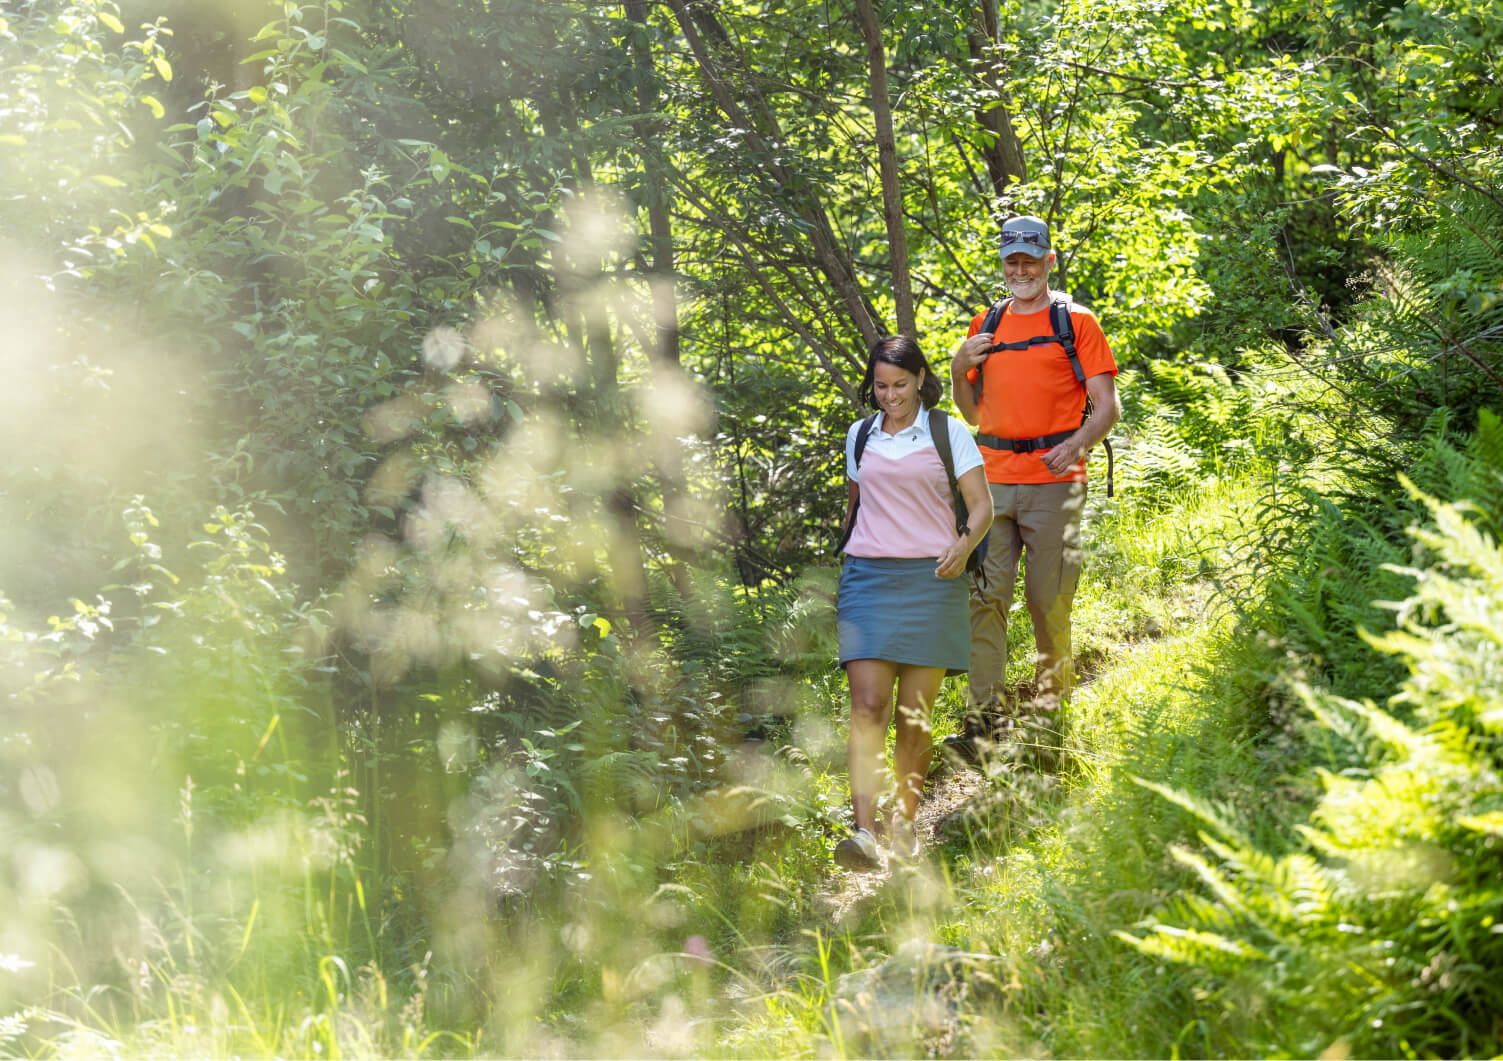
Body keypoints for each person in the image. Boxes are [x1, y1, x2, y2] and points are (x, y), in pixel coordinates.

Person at [948, 215, 1120, 762]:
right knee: (985, 598)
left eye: (1031, 260)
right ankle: (982, 722)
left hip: (1054, 482)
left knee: (1048, 602)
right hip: (992, 483)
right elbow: (974, 412)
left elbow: (1107, 405)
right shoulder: (986, 323)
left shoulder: (1077, 322)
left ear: (1049, 261)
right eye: (1011, 262)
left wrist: (1078, 442)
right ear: (1002, 266)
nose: (1020, 270)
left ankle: (1049, 718)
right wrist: (956, 369)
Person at [833, 335, 993, 870]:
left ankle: (905, 822)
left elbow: (981, 507)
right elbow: (857, 509)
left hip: (934, 581)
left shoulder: (950, 433)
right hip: (868, 581)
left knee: (913, 716)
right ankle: (863, 830)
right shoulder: (860, 436)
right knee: (868, 706)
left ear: (921, 378)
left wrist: (962, 544)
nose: (890, 395)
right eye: (880, 386)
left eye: (900, 384)